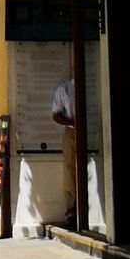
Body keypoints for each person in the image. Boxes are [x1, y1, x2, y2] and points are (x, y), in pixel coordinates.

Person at [52, 76, 76, 227]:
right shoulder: (64, 89)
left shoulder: (94, 83)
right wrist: (74, 122)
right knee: (69, 170)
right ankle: (72, 211)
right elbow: (56, 114)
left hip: (91, 128)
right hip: (71, 131)